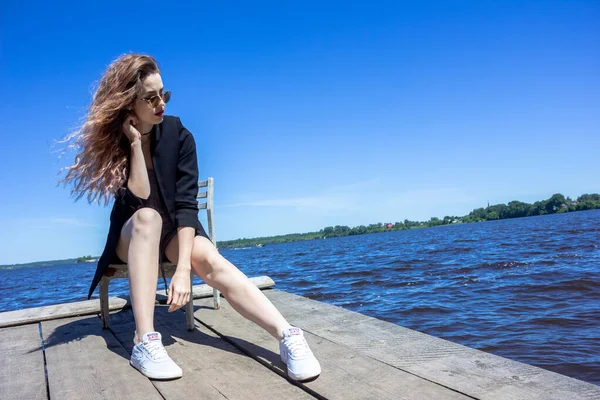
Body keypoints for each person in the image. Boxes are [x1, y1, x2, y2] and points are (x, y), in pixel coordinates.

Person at [60, 54, 321, 381]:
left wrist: (184, 269)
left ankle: (288, 336)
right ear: (129, 103)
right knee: (147, 219)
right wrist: (135, 145)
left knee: (207, 258)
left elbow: (186, 207)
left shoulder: (179, 134)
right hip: (134, 235)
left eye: (164, 94)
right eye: (151, 97)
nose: (161, 103)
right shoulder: (119, 142)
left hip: (173, 230)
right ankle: (144, 340)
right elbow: (138, 198)